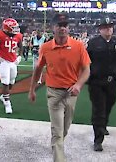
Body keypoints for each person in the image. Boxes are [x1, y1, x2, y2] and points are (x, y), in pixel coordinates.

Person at [28, 13, 91, 162]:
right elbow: (38, 69)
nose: (62, 28)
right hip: (54, 93)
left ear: (69, 28)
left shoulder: (78, 46)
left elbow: (87, 70)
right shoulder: (46, 47)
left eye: (65, 25)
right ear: (53, 28)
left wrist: (78, 84)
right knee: (57, 131)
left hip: (71, 93)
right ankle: (58, 157)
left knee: (64, 128)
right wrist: (32, 89)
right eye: (59, 25)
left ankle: (57, 146)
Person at [87, 17, 116, 152]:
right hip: (96, 81)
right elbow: (84, 62)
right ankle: (98, 139)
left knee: (109, 105)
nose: (108, 29)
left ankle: (103, 125)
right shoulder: (93, 43)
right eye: (105, 27)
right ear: (100, 29)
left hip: (112, 81)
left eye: (110, 26)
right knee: (99, 109)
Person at [0, 18, 23, 114]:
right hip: (3, 62)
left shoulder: (18, 35)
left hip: (13, 61)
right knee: (5, 82)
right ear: (7, 28)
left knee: (12, 81)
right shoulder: (0, 35)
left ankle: (4, 96)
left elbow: (21, 46)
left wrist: (19, 56)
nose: (16, 29)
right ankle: (7, 103)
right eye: (13, 27)